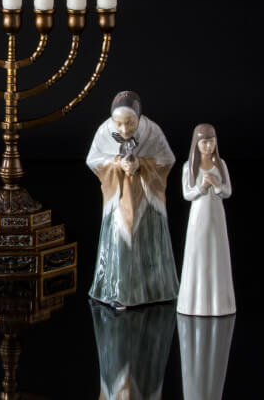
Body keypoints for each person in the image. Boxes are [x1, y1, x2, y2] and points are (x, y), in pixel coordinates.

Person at [86, 90, 179, 307]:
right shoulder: (104, 132)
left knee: (147, 243)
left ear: (139, 117)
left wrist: (141, 164)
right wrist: (117, 162)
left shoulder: (152, 132)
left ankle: (152, 289)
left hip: (145, 200)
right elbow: (94, 159)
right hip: (119, 198)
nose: (124, 129)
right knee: (120, 242)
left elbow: (167, 159)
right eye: (119, 124)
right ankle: (118, 290)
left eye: (130, 123)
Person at [177, 123, 236, 315]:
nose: (208, 146)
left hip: (216, 214)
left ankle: (220, 304)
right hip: (198, 215)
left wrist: (218, 185)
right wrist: (202, 186)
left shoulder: (222, 165)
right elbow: (187, 193)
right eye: (204, 142)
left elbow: (227, 192)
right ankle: (194, 303)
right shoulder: (188, 167)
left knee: (216, 253)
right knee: (198, 253)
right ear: (197, 143)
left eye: (211, 142)